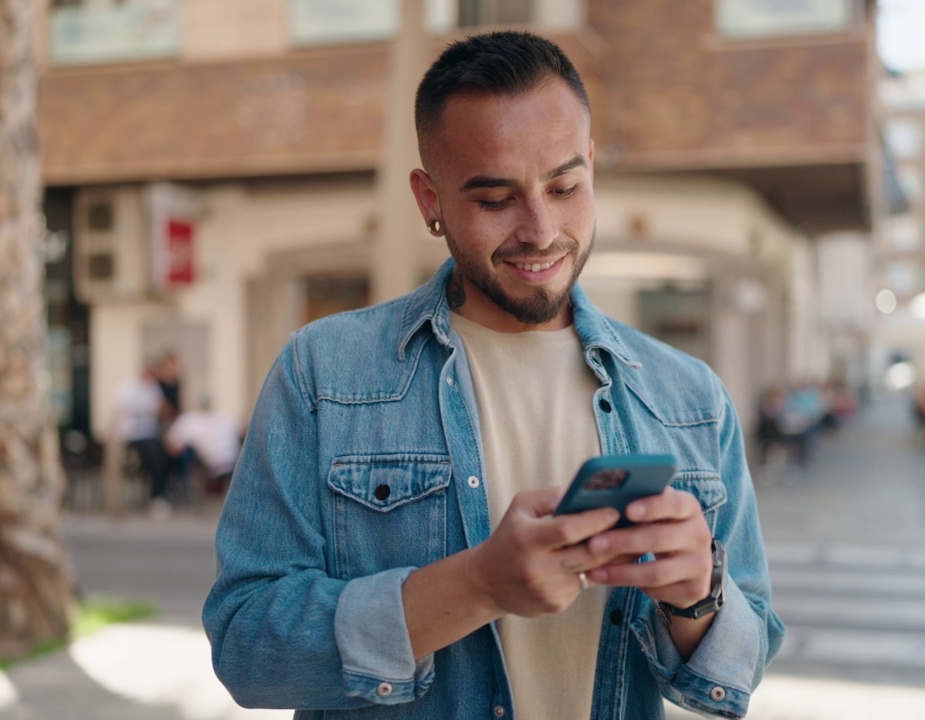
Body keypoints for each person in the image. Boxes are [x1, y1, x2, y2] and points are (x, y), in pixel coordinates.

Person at [203, 31, 783, 720]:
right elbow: (247, 647)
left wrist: (696, 597)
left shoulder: (689, 396)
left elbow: (742, 662)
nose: (540, 229)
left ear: (591, 167)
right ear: (430, 201)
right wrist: (476, 585)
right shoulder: (323, 372)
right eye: (494, 199)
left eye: (565, 186)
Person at [115, 363, 170, 518]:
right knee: (153, 452)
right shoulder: (128, 386)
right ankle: (157, 496)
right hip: (132, 433)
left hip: (149, 432)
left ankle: (159, 495)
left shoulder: (153, 388)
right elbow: (121, 409)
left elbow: (160, 408)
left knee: (162, 453)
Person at [164, 398, 242, 496]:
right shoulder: (226, 417)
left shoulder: (189, 420)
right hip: (230, 461)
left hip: (221, 461)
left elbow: (172, 444)